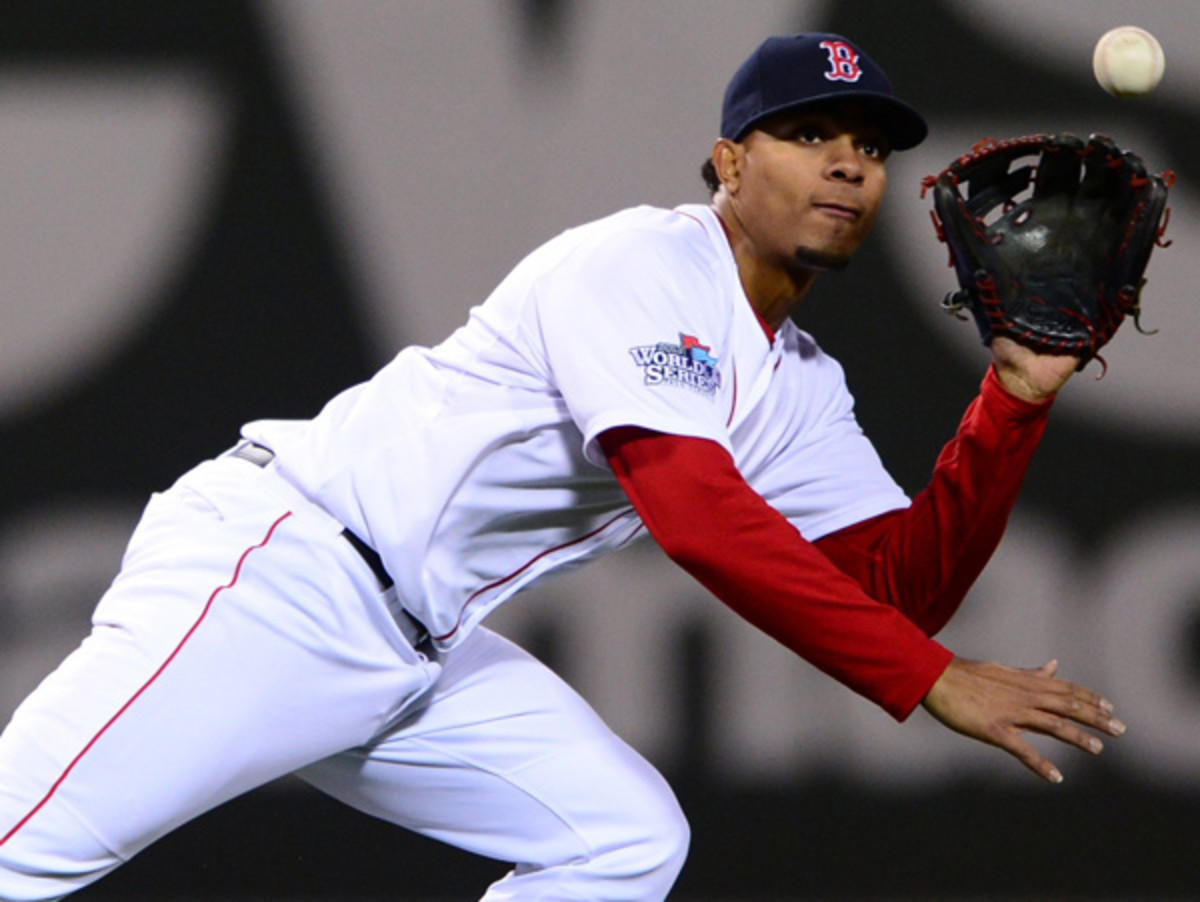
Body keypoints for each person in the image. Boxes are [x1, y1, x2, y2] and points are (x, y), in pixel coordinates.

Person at [0, 32, 1126, 901]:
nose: (847, 162)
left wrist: (1013, 401)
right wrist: (929, 678)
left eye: (870, 146)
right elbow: (693, 514)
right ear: (729, 161)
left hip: (413, 648)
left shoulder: (795, 381)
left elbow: (898, 590)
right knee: (20, 848)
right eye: (809, 132)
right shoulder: (642, 263)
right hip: (278, 574)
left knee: (622, 838)